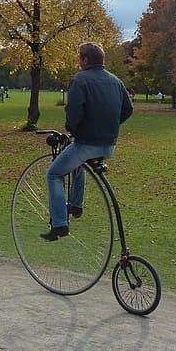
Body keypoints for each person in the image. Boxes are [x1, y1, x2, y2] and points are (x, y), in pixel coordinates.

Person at [42, 42, 134, 240]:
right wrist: (110, 126)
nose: (78, 61)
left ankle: (59, 224)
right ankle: (76, 205)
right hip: (109, 146)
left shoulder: (80, 80)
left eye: (79, 57)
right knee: (77, 163)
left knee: (54, 174)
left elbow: (74, 113)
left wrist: (73, 129)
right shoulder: (116, 81)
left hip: (87, 144)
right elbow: (128, 109)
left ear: (85, 60)